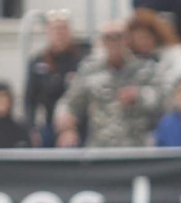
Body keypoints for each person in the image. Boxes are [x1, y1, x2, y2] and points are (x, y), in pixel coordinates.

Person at [54, 19, 163, 148]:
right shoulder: (89, 70)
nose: (113, 42)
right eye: (108, 38)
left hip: (135, 147)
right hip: (100, 148)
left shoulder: (144, 68)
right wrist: (66, 127)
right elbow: (68, 103)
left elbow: (162, 101)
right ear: (101, 42)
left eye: (118, 37)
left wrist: (139, 95)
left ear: (127, 40)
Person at [25, 10, 84, 143]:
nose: (59, 34)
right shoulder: (38, 61)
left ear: (70, 31)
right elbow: (30, 100)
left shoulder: (83, 60)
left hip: (80, 124)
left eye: (63, 29)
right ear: (48, 32)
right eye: (55, 29)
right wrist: (31, 129)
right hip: (50, 123)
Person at [127, 8, 181, 91]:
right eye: (137, 39)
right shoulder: (128, 58)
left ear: (156, 36)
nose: (142, 43)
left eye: (145, 37)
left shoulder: (176, 52)